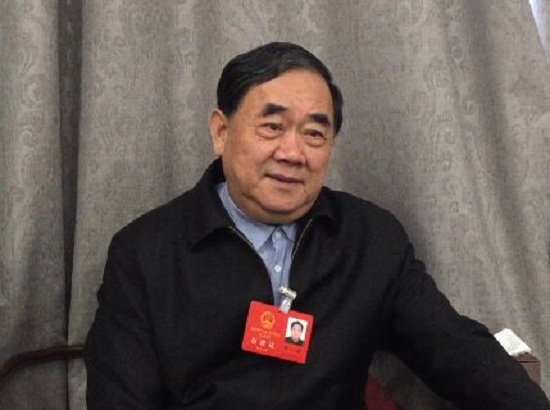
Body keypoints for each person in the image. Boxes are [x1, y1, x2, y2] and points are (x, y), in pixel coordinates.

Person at [85, 42, 550, 409]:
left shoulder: (369, 238)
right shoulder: (145, 253)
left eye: (314, 134)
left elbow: (454, 350)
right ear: (221, 131)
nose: (293, 153)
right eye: (272, 127)